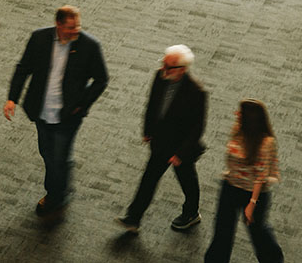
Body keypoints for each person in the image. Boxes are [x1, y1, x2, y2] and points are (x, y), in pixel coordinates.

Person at [4, 5, 109, 215]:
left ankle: (55, 196)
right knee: (47, 153)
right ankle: (62, 185)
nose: (76, 31)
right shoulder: (39, 39)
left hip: (68, 115)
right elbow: (23, 68)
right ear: (58, 25)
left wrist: (82, 104)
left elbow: (101, 79)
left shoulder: (89, 46)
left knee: (58, 157)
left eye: (78, 26)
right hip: (41, 111)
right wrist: (12, 98)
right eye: (71, 28)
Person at [117, 45, 207, 234]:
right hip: (161, 142)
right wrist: (147, 130)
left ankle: (191, 212)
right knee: (149, 179)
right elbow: (152, 105)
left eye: (169, 67)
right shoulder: (160, 76)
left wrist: (180, 154)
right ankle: (134, 218)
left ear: (182, 69)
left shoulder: (196, 92)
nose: (163, 70)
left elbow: (197, 128)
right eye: (164, 64)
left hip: (181, 148)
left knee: (187, 180)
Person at [204, 99, 283, 263]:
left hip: (254, 193)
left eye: (240, 113)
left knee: (258, 232)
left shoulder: (266, 143)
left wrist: (251, 203)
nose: (236, 114)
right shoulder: (237, 130)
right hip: (230, 186)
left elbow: (260, 176)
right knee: (222, 231)